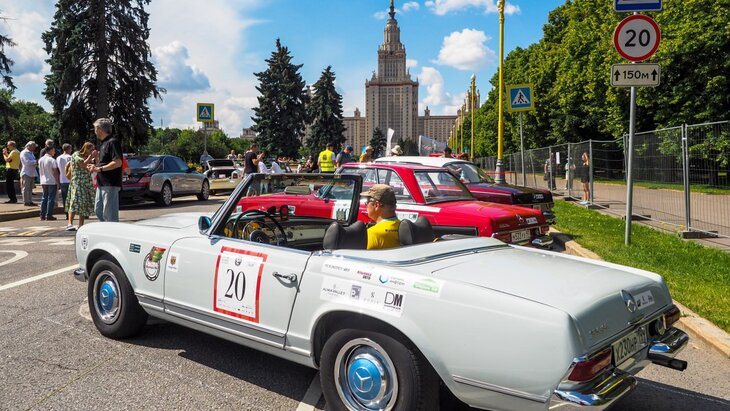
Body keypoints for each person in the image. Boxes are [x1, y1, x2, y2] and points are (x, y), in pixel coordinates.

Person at [87, 117, 123, 222]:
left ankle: (112, 232)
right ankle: (106, 229)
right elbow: (103, 163)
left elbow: (118, 162)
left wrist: (99, 169)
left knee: (109, 214)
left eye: (95, 129)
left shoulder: (113, 142)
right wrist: (94, 166)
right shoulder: (103, 144)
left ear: (99, 129)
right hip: (101, 183)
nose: (94, 132)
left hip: (110, 184)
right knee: (98, 210)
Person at [66, 142, 96, 230]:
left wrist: (96, 157)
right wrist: (90, 157)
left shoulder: (89, 157)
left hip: (86, 182)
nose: (92, 151)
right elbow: (82, 164)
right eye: (91, 149)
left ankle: (81, 225)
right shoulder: (76, 154)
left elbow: (93, 167)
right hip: (77, 182)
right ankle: (69, 224)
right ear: (86, 148)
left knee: (84, 203)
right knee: (74, 201)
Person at [363, 184, 400, 250]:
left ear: (376, 205)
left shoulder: (373, 233)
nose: (366, 205)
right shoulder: (406, 228)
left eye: (367, 202)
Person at [38, 146, 59, 221]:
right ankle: (49, 214)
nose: (54, 152)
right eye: (53, 151)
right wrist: (57, 181)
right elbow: (55, 172)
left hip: (43, 180)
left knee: (44, 197)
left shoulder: (41, 159)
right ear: (50, 151)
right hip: (51, 180)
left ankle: (42, 214)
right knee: (51, 198)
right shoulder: (52, 160)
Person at [20, 141, 38, 206]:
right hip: (26, 172)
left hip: (32, 172)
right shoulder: (24, 153)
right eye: (33, 146)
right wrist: (36, 161)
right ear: (29, 146)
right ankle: (26, 201)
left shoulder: (31, 153)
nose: (34, 148)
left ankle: (30, 201)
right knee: (25, 188)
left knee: (30, 188)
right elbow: (26, 162)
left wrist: (35, 162)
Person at [56, 143, 73, 212]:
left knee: (64, 197)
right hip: (70, 179)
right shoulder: (71, 157)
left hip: (62, 179)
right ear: (68, 149)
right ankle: (70, 212)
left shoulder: (58, 158)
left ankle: (66, 212)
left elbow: (57, 169)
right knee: (71, 197)